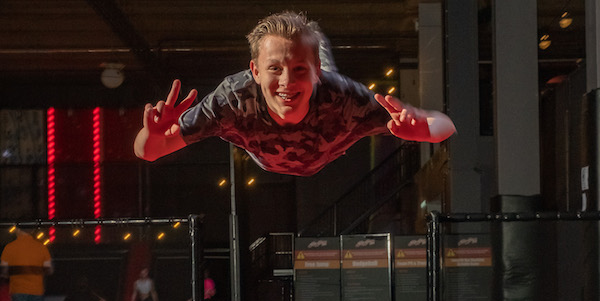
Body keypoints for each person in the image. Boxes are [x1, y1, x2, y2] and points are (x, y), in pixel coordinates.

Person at [134, 11, 456, 177]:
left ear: (314, 70)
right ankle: (306, 45)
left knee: (323, 66)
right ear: (255, 71)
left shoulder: (346, 100)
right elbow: (148, 152)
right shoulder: (231, 100)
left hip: (324, 151)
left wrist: (424, 131)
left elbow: (446, 126)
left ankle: (315, 45)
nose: (287, 81)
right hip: (264, 156)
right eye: (274, 69)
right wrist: (151, 134)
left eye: (299, 70)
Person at [0, 228, 53, 301]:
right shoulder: (41, 247)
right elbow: (49, 270)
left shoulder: (9, 248)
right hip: (36, 289)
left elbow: (4, 271)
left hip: (18, 289)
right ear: (32, 231)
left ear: (18, 230)